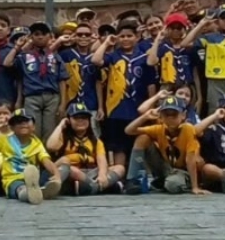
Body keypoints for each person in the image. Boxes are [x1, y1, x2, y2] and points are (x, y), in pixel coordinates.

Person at [92, 20, 155, 167]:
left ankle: (135, 175)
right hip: (117, 109)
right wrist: (107, 42)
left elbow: (150, 84)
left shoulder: (144, 57)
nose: (125, 39)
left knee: (137, 142)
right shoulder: (113, 56)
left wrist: (152, 103)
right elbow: (96, 60)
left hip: (138, 108)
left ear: (136, 37)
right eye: (122, 36)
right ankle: (119, 175)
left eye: (129, 36)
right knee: (118, 146)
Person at [0, 109, 61, 205]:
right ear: (11, 127)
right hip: (13, 179)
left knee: (63, 167)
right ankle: (31, 194)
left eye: (26, 121)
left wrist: (56, 175)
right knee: (21, 189)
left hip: (34, 179)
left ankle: (45, 188)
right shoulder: (4, 141)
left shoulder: (37, 143)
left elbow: (46, 161)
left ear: (33, 126)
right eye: (18, 122)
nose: (23, 124)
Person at [123, 96, 204, 195]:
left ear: (183, 115)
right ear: (160, 116)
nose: (170, 118)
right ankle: (132, 179)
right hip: (165, 167)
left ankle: (179, 183)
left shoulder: (188, 129)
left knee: (172, 185)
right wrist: (145, 117)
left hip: (182, 170)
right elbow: (128, 130)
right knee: (142, 138)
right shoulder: (159, 129)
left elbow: (190, 159)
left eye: (174, 114)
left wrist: (195, 187)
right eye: (166, 115)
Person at [4, 22, 66, 142]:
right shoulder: (24, 56)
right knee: (33, 130)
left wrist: (63, 104)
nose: (40, 37)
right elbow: (8, 64)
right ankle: (34, 158)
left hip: (52, 97)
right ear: (31, 37)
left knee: (50, 130)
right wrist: (17, 47)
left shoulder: (55, 57)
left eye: (44, 34)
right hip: (32, 97)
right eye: (36, 34)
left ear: (50, 36)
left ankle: (47, 158)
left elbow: (62, 80)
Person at [46, 103, 122, 195]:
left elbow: (101, 160)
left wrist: (102, 175)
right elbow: (50, 146)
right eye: (76, 118)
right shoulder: (64, 137)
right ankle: (101, 187)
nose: (81, 121)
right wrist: (61, 125)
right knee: (68, 165)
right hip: (72, 172)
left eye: (84, 118)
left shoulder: (95, 141)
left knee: (119, 168)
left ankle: (91, 187)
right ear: (69, 120)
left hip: (91, 172)